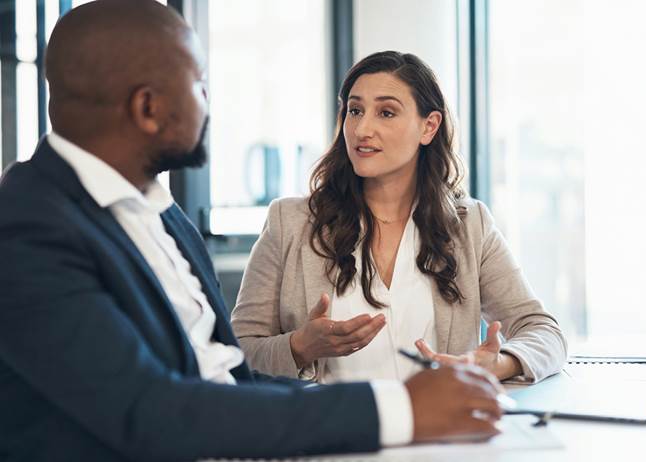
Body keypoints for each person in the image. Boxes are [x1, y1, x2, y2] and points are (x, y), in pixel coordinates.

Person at [0, 2, 505, 461]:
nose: (208, 107)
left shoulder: (162, 216)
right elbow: (146, 411)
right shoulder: (25, 227)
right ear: (148, 107)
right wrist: (395, 409)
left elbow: (229, 376)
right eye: (198, 85)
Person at [231, 51, 568, 384]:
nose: (363, 128)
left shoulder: (470, 225)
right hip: (330, 434)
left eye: (386, 112)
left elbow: (543, 332)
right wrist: (300, 347)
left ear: (429, 126)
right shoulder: (288, 221)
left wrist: (499, 364)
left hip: (440, 430)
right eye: (355, 110)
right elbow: (235, 353)